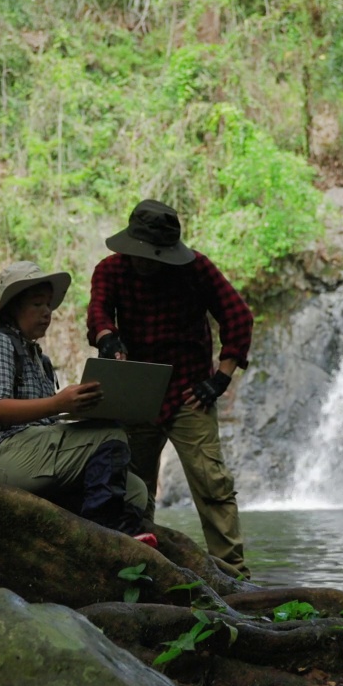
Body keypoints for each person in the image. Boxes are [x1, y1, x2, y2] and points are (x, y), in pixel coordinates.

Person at [87, 199, 252, 576]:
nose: (146, 262)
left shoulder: (197, 270)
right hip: (138, 391)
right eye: (142, 254)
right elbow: (98, 311)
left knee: (212, 482)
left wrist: (221, 378)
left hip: (190, 390)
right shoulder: (110, 271)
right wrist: (108, 338)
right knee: (135, 486)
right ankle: (144, 567)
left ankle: (233, 574)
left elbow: (238, 317)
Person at [0, 261, 151, 539]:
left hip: (30, 452)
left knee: (135, 489)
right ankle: (102, 541)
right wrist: (59, 403)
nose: (47, 312)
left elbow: (46, 417)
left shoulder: (39, 358)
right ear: (13, 308)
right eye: (37, 304)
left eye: (48, 305)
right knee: (109, 435)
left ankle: (118, 536)